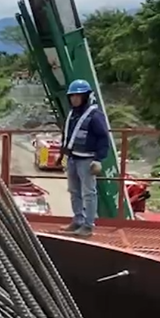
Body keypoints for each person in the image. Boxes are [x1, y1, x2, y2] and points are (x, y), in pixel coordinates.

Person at [55, 79, 110, 237]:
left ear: (85, 96)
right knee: (74, 191)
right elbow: (68, 136)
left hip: (87, 160)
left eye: (78, 96)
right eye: (72, 96)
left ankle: (88, 225)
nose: (74, 99)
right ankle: (77, 220)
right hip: (73, 159)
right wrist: (62, 155)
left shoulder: (95, 115)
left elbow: (103, 138)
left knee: (89, 193)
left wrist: (99, 159)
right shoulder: (73, 114)